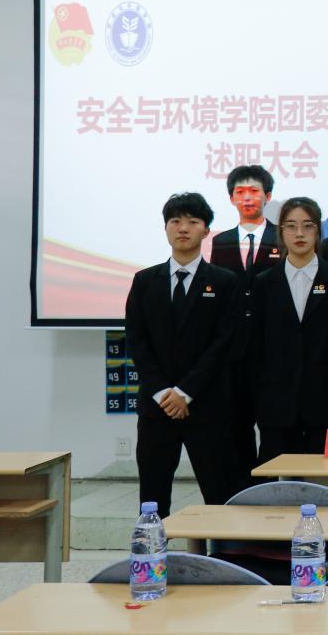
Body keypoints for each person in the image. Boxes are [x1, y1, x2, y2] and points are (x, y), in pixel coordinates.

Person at [124, 193, 239, 517]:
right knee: (153, 496)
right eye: (175, 221)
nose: (183, 228)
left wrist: (186, 392)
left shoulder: (224, 282)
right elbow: (137, 341)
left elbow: (223, 343)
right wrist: (164, 393)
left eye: (192, 221)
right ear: (166, 228)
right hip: (157, 407)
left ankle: (223, 549)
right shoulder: (145, 281)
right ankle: (153, 550)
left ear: (206, 230)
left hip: (206, 406)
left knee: (218, 493)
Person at [249, 197, 328, 461]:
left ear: (318, 230)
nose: (299, 233)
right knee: (276, 481)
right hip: (277, 407)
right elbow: (254, 347)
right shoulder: (263, 283)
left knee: (325, 480)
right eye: (291, 226)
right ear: (281, 232)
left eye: (308, 225)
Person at [206, 164, 280, 480]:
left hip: (271, 348)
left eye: (254, 191)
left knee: (273, 426)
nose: (247, 198)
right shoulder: (221, 241)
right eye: (240, 192)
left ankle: (269, 486)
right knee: (237, 426)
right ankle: (242, 489)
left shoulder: (282, 236)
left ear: (268, 196)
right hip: (233, 352)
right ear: (231, 199)